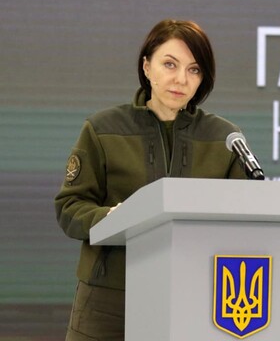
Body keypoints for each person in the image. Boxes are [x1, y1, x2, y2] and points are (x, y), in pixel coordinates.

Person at [54, 19, 248, 340]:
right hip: (108, 298)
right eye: (170, 64)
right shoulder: (103, 129)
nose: (181, 79)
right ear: (147, 66)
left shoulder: (225, 138)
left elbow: (246, 218)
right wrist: (112, 218)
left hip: (193, 294)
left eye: (194, 70)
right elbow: (69, 207)